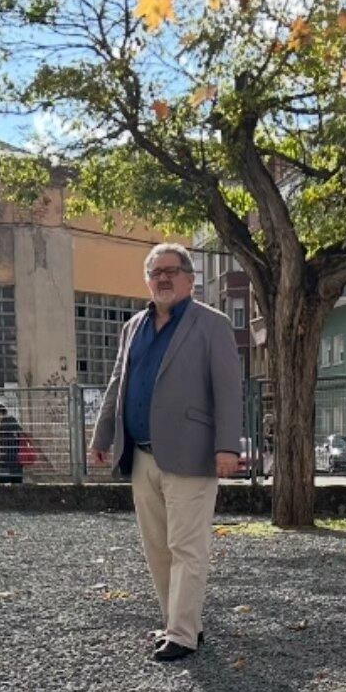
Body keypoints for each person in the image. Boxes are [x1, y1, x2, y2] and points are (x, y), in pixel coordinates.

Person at [90, 243, 243, 662]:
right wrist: (102, 436)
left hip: (191, 454)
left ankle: (181, 634)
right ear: (147, 279)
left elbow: (229, 390)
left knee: (187, 546)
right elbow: (117, 383)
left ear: (190, 279)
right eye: (155, 271)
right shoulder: (133, 326)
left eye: (171, 271)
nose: (162, 278)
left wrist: (228, 447)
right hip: (140, 455)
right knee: (157, 547)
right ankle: (180, 622)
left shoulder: (212, 324)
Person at [0, 402, 24, 484]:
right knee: (17, 485)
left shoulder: (3, 424)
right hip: (17, 460)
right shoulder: (14, 421)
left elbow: (6, 442)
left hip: (6, 461)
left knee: (4, 486)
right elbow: (16, 436)